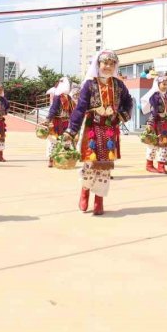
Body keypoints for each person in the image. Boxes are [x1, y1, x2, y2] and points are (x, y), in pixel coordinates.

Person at [62, 50, 133, 216]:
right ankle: (85, 191)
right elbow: (80, 109)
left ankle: (99, 199)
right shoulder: (89, 84)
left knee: (105, 168)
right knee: (89, 164)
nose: (108, 66)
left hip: (110, 130)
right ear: (98, 64)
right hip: (92, 128)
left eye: (111, 63)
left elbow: (129, 101)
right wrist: (71, 130)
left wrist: (122, 114)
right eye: (105, 63)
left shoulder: (119, 85)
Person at [141, 76, 167, 174]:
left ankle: (161, 166)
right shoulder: (155, 96)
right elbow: (154, 110)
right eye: (163, 84)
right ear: (158, 85)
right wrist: (150, 123)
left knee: (165, 145)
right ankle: (149, 165)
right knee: (153, 144)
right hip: (157, 123)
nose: (165, 86)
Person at [42, 77, 74, 167]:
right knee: (57, 140)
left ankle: (59, 160)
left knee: (60, 141)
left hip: (63, 122)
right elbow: (54, 109)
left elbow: (71, 111)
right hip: (59, 122)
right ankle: (53, 160)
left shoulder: (66, 97)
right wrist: (48, 119)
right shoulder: (60, 97)